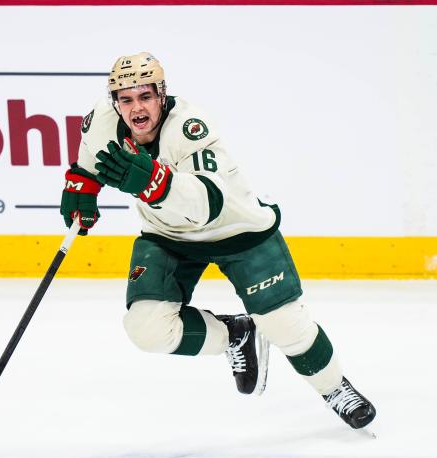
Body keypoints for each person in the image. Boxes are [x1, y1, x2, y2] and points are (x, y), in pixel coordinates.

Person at [59, 52, 376, 430]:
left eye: (145, 96)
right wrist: (83, 185)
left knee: (283, 325)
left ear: (162, 95)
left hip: (237, 231)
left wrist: (153, 181)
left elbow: (208, 203)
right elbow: (90, 160)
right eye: (126, 99)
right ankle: (235, 335)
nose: (136, 108)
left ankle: (334, 388)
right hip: (168, 236)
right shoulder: (103, 121)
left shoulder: (190, 127)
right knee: (146, 328)